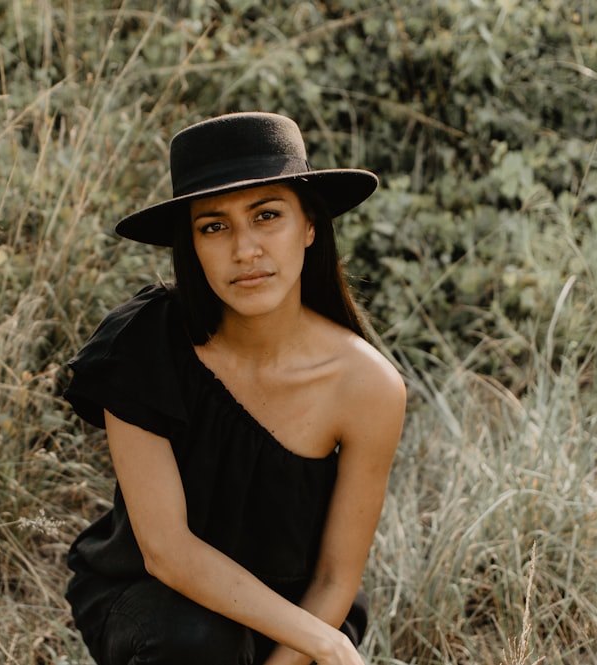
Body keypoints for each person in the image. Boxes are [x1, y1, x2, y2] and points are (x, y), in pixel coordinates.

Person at [63, 112, 406, 665]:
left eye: (267, 215)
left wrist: (310, 642)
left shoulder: (366, 386)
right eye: (214, 226)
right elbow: (166, 552)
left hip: (298, 616)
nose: (245, 250)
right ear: (191, 245)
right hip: (158, 604)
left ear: (310, 226)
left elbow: (334, 578)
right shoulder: (141, 346)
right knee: (202, 641)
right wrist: (324, 643)